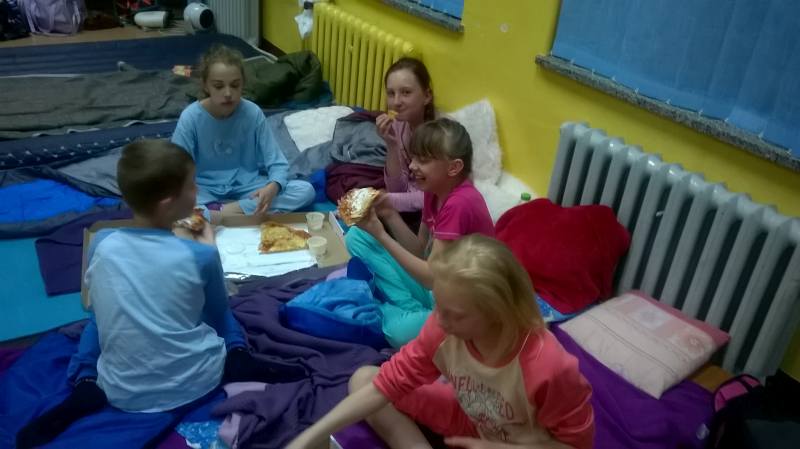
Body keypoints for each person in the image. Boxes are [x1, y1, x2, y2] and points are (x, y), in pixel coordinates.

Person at [16, 140, 305, 449]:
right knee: (221, 310)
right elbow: (216, 310)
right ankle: (238, 355)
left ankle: (85, 382)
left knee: (97, 319)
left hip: (120, 390)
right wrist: (208, 248)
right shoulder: (200, 254)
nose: (197, 191)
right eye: (192, 185)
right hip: (199, 379)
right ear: (168, 203)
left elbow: (95, 305)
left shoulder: (102, 243)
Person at [286, 234, 595, 449]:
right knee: (364, 378)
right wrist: (310, 436)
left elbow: (575, 445)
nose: (439, 321)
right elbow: (387, 384)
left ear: (497, 313)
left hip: (521, 443)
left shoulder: (549, 366)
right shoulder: (442, 326)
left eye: (455, 315)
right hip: (472, 422)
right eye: (439, 307)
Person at [346, 118, 495, 348]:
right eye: (414, 157)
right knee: (357, 237)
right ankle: (413, 309)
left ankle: (404, 312)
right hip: (440, 288)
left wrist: (382, 235)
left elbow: (431, 277)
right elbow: (419, 250)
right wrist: (390, 215)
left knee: (397, 333)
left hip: (466, 303)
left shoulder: (460, 203)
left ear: (453, 167)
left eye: (423, 160)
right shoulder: (433, 191)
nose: (413, 166)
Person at [171, 44, 315, 221]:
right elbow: (177, 169)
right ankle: (226, 211)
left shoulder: (252, 113)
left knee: (305, 190)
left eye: (235, 85)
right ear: (206, 86)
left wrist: (274, 186)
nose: (228, 93)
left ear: (243, 84)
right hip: (204, 190)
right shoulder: (191, 117)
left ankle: (222, 212)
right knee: (169, 198)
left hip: (247, 187)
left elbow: (276, 161)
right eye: (218, 86)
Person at [374, 57, 434, 213]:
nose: (396, 102)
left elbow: (437, 197)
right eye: (391, 93)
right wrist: (391, 145)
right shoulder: (399, 124)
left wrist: (388, 200)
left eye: (406, 92)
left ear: (427, 96)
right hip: (409, 204)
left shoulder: (440, 135)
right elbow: (396, 188)